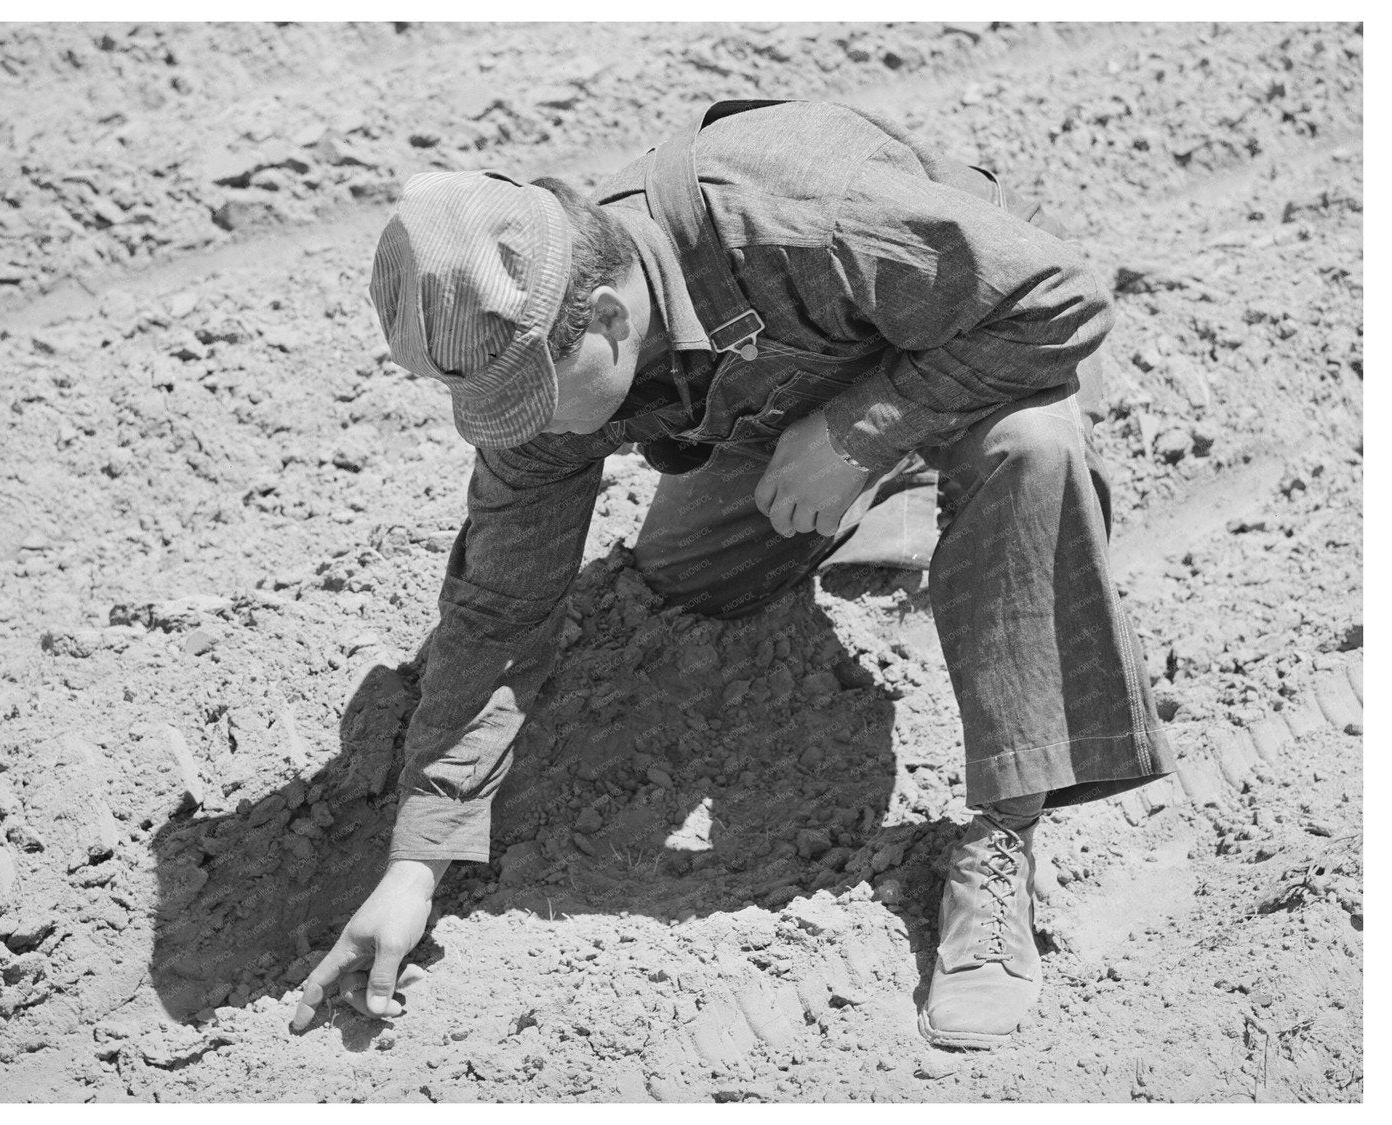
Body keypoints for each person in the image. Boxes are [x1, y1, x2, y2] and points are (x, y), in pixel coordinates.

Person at [290, 99, 1175, 1048]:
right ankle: (901, 485)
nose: (525, 428)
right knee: (690, 580)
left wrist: (858, 432)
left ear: (606, 318)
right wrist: (417, 863)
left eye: (534, 398)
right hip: (787, 396)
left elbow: (1059, 299)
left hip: (972, 331)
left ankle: (1004, 836)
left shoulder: (804, 218)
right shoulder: (543, 339)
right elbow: (500, 603)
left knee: (1030, 449)